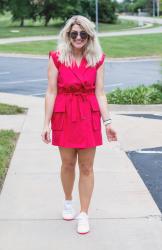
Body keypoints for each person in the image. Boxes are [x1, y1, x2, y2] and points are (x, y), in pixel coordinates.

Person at [41, 15, 117, 234]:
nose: (78, 37)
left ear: (89, 36)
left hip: (88, 115)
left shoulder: (98, 59)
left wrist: (108, 122)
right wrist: (45, 124)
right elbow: (51, 91)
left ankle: (84, 214)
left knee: (86, 166)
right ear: (67, 35)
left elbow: (100, 93)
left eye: (83, 33)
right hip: (64, 115)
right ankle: (67, 201)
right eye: (74, 33)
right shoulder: (56, 58)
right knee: (67, 163)